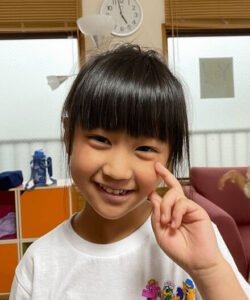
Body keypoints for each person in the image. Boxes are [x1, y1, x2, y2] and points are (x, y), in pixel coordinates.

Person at [10, 44, 250, 299]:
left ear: (169, 157)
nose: (117, 170)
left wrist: (208, 269)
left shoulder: (197, 240)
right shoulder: (39, 265)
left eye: (145, 148)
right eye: (101, 140)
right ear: (68, 134)